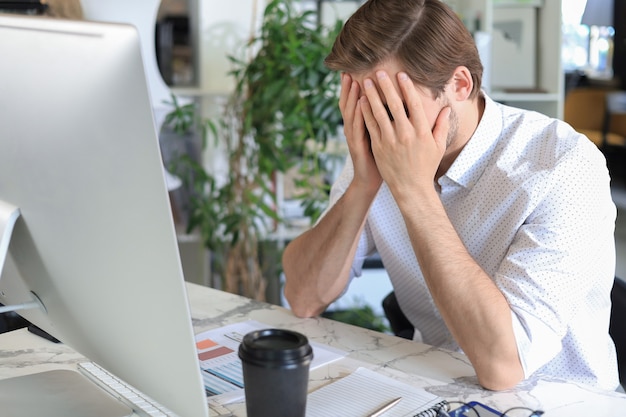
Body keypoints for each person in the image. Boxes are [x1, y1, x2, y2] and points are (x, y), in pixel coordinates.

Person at [282, 0, 619, 392]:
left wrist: (413, 190)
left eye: (393, 104)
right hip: (435, 389)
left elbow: (503, 366)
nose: (377, 123)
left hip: (561, 400)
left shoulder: (563, 165)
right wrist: (363, 184)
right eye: (364, 103)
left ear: (460, 85)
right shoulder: (381, 148)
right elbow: (303, 297)